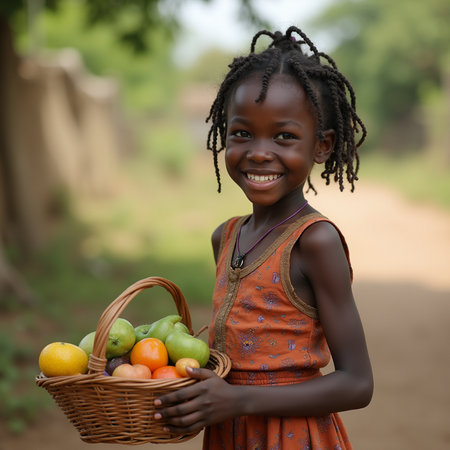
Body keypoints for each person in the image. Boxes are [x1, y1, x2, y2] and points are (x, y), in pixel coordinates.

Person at [154, 26, 373, 449]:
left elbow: (357, 383)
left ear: (322, 145)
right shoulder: (226, 236)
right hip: (230, 433)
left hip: (291, 437)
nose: (258, 151)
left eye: (285, 137)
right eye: (241, 133)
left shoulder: (315, 241)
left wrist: (239, 400)